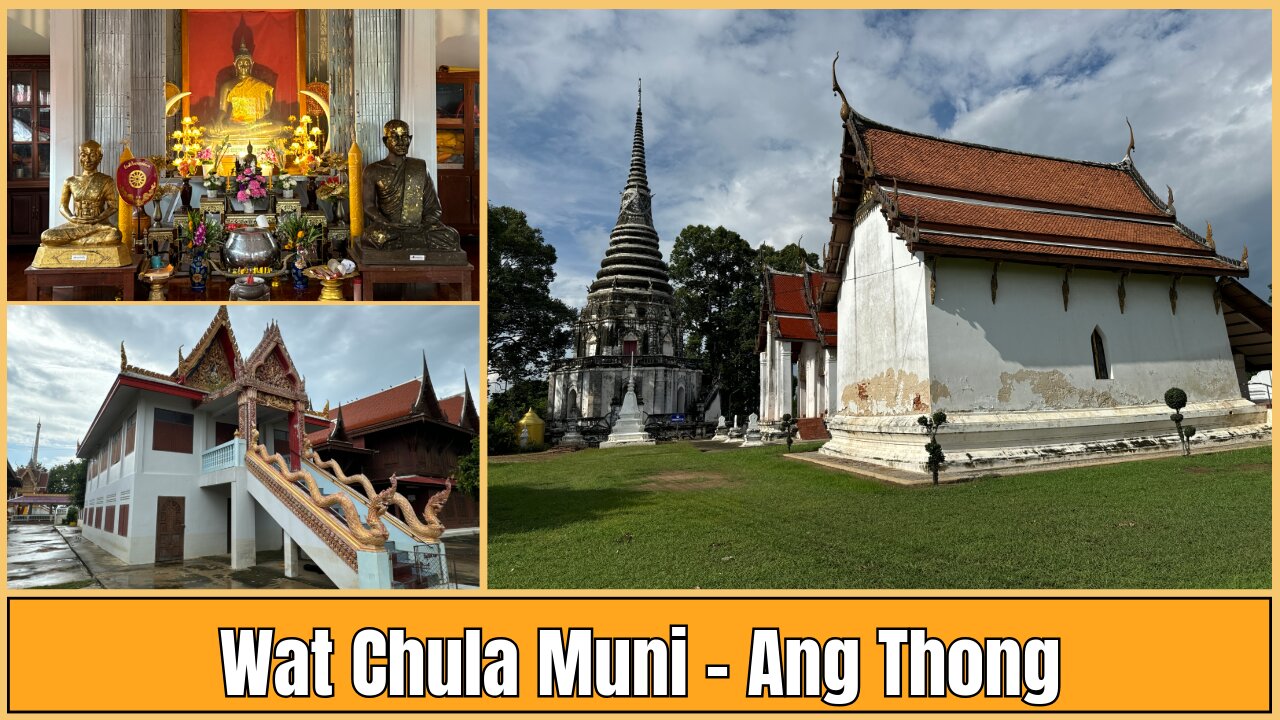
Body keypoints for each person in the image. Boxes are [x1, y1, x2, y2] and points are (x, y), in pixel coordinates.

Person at [361, 119, 461, 253]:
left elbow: (434, 208)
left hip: (419, 227)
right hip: (389, 228)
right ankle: (412, 241)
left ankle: (407, 241)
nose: (401, 142)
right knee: (372, 236)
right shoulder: (372, 170)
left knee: (451, 236)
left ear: (410, 139)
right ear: (385, 141)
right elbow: (368, 206)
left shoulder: (419, 167)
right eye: (395, 137)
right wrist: (387, 224)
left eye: (405, 137)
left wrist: (423, 225)